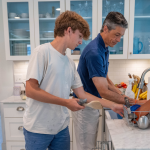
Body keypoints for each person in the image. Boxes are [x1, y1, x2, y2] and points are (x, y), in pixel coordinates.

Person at [23, 11, 124, 150]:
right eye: (80, 36)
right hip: (38, 128)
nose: (81, 42)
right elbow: (30, 90)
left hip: (61, 128)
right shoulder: (42, 52)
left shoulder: (70, 63)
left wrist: (112, 106)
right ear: (69, 31)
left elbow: (83, 95)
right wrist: (66, 102)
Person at [72, 12, 136, 150]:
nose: (119, 40)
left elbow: (105, 78)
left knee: (90, 147)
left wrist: (120, 94)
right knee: (85, 148)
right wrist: (126, 100)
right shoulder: (94, 52)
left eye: (121, 36)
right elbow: (103, 91)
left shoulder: (103, 48)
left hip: (92, 105)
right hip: (84, 108)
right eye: (117, 34)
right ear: (106, 28)